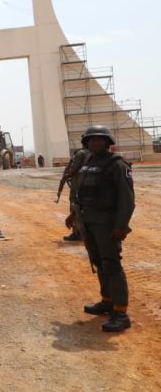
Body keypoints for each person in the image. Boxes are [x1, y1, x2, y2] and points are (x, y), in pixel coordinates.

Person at [70, 125, 135, 332]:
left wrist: (122, 226)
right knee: (98, 262)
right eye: (91, 140)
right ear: (86, 143)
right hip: (88, 221)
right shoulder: (88, 161)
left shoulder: (117, 165)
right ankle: (107, 301)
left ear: (108, 142)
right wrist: (74, 214)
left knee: (112, 265)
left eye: (99, 140)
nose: (95, 143)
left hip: (107, 223)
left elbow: (127, 200)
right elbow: (82, 190)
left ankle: (121, 312)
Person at [59, 141, 89, 241]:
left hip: (78, 184)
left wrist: (66, 177)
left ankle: (77, 233)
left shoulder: (80, 153)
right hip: (90, 184)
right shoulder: (94, 153)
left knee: (75, 206)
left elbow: (73, 169)